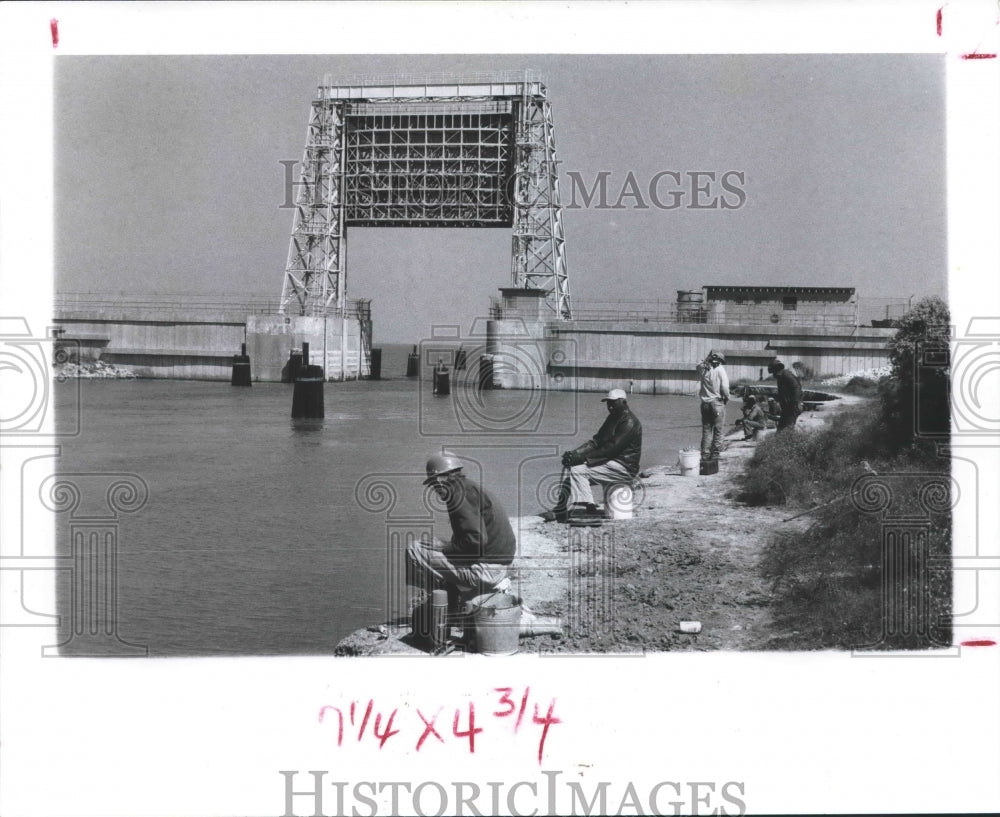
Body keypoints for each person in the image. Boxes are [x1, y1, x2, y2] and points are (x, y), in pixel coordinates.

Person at [406, 452, 516, 611]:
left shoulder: (458, 495)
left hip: (486, 572)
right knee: (437, 545)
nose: (434, 489)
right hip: (497, 566)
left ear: (440, 479)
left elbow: (476, 540)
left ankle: (439, 601)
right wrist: (449, 546)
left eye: (433, 484)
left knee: (415, 549)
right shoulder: (468, 488)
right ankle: (451, 597)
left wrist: (446, 548)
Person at [540, 388, 642, 522]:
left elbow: (611, 448)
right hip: (612, 463)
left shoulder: (629, 422)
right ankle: (560, 509)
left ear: (623, 402)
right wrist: (574, 454)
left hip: (624, 467)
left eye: (613, 403)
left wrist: (583, 458)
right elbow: (596, 442)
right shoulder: (613, 418)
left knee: (578, 471)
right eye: (608, 403)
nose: (610, 406)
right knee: (571, 477)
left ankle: (590, 509)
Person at [696, 350, 730, 461]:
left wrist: (706, 361)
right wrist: (727, 398)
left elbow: (698, 365)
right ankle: (715, 453)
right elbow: (725, 388)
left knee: (706, 430)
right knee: (718, 429)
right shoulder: (720, 369)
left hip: (705, 404)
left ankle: (705, 454)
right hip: (717, 403)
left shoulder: (703, 369)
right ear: (720, 360)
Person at [768, 359, 803, 430]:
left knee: (787, 429)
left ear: (776, 369)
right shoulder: (780, 377)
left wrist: (794, 404)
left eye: (773, 371)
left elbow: (797, 389)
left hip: (792, 407)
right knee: (781, 429)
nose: (773, 374)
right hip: (787, 408)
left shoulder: (787, 375)